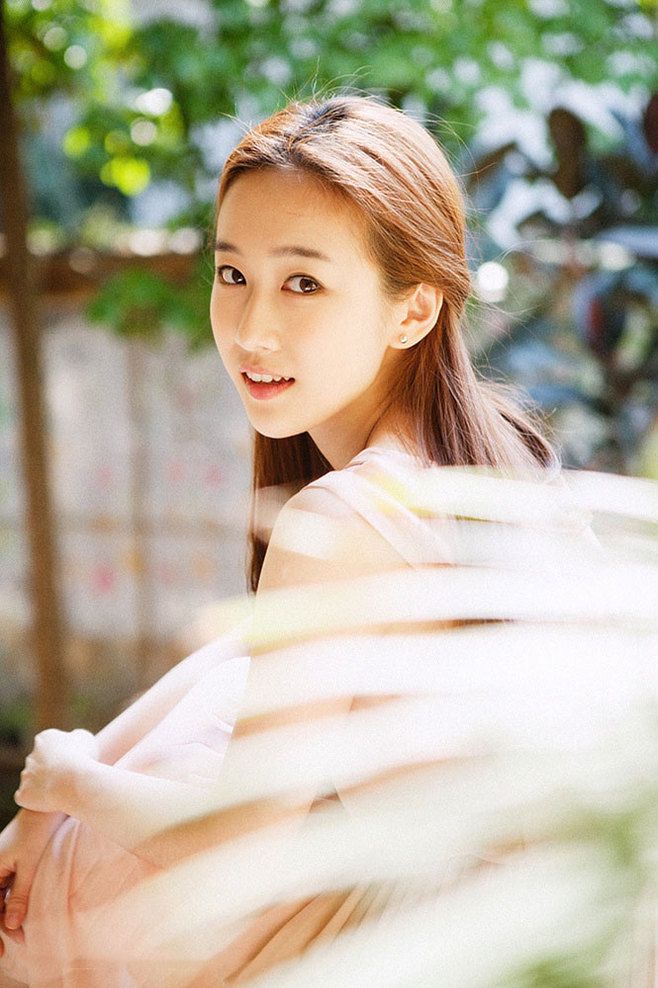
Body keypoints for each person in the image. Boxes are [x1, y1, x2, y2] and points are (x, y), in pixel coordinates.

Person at [0, 93, 575, 986]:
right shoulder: (488, 456)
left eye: (303, 283)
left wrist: (64, 778)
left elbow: (233, 850)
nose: (251, 329)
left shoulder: (342, 519)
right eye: (233, 274)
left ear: (414, 311)